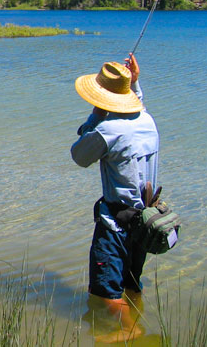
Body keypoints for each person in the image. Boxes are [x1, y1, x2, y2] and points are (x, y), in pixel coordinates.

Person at [71, 53, 159, 343]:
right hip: (145, 221)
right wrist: (134, 85)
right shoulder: (147, 121)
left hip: (115, 227)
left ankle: (133, 333)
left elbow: (79, 155)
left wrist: (96, 114)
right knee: (132, 285)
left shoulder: (108, 130)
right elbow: (138, 106)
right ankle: (133, 322)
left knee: (105, 294)